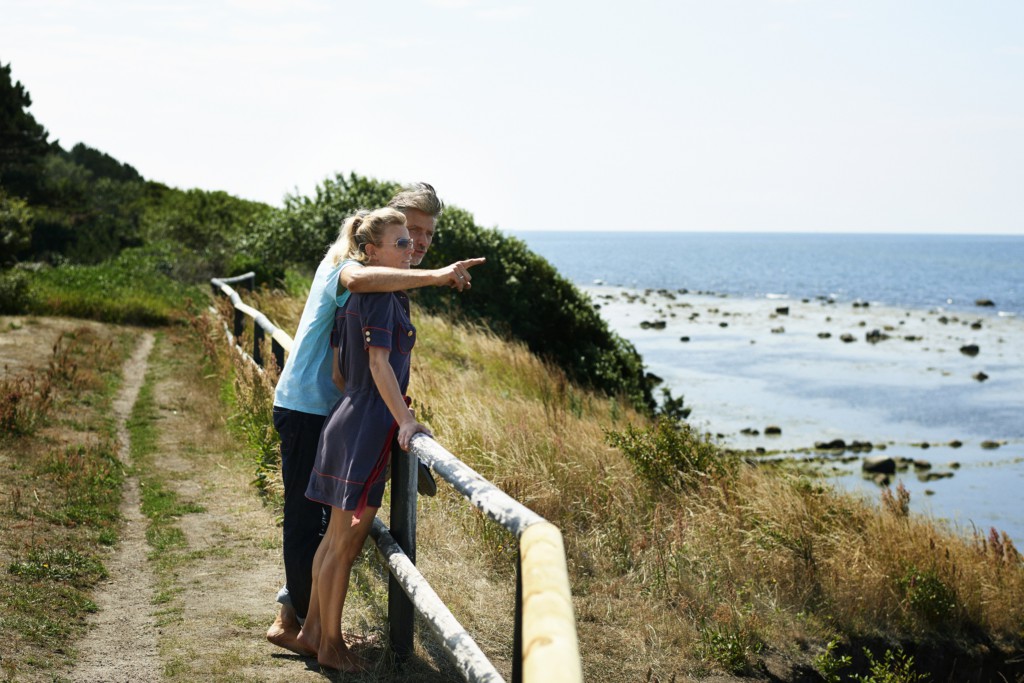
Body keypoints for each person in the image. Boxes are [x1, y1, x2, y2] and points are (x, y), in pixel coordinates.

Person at [267, 183, 485, 655]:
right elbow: (363, 307)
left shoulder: (386, 277)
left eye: (426, 234)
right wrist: (438, 276)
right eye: (409, 232)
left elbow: (349, 364)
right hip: (310, 404)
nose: (419, 242)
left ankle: (308, 626)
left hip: (337, 408)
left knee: (325, 527)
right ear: (386, 227)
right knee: (311, 524)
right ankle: (308, 628)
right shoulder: (351, 264)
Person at [295, 207, 427, 671]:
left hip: (346, 416)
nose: (411, 250)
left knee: (333, 540)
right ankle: (331, 646)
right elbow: (378, 365)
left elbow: (338, 370)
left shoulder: (364, 296)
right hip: (368, 424)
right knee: (344, 544)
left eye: (411, 242)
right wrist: (405, 421)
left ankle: (314, 630)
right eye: (402, 243)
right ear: (372, 251)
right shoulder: (380, 296)